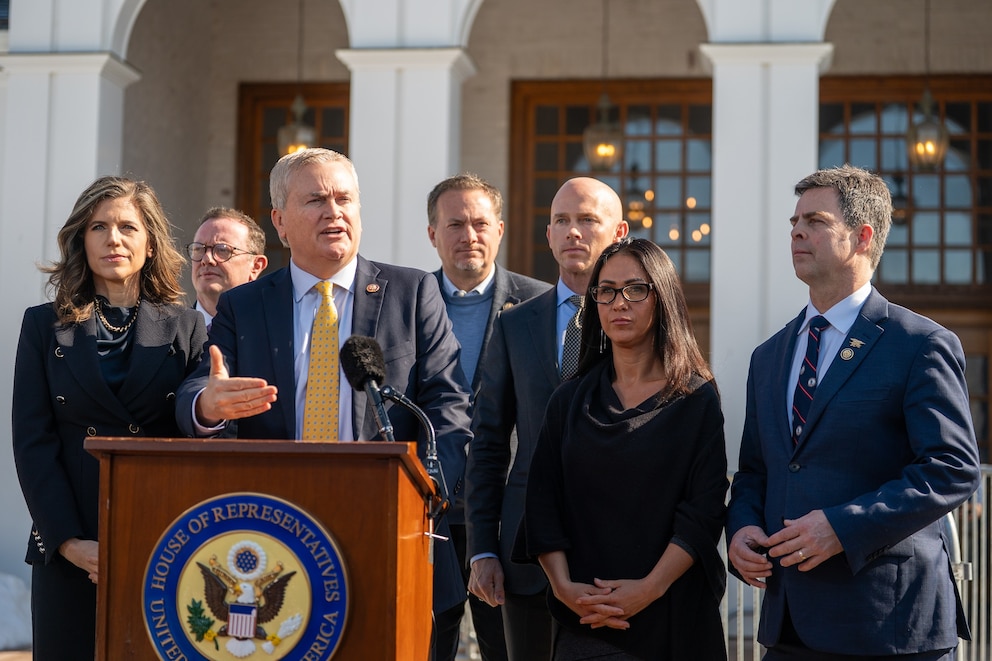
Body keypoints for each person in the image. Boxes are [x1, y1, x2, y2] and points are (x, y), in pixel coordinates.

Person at [175, 148, 472, 658]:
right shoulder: (245, 305)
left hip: (390, 532)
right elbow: (200, 389)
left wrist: (421, 493)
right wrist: (208, 405)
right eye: (315, 199)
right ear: (280, 221)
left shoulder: (412, 292)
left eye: (344, 199)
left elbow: (448, 407)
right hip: (273, 538)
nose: (334, 211)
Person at [727, 164, 981, 660]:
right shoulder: (770, 355)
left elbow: (952, 469)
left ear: (863, 237)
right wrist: (741, 529)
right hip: (789, 626)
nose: (797, 230)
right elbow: (756, 471)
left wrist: (842, 526)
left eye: (816, 221)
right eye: (794, 221)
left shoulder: (919, 344)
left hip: (889, 625)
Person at [12, 176, 207, 659]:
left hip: (160, 544)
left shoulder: (186, 326)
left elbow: (195, 436)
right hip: (68, 545)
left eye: (127, 227)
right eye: (98, 227)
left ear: (150, 241)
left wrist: (157, 537)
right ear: (82, 238)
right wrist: (70, 543)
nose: (113, 239)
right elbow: (32, 442)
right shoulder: (42, 325)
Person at [517, 237, 728, 660]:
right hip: (587, 619)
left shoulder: (696, 398)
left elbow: (702, 512)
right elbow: (543, 501)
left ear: (662, 297)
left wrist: (648, 589)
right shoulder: (569, 399)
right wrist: (564, 588)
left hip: (672, 620)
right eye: (606, 291)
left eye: (635, 289)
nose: (619, 303)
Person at [465, 177, 628, 660]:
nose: (573, 232)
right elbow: (490, 441)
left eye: (586, 220)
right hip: (525, 556)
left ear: (618, 233)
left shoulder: (642, 320)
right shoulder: (516, 323)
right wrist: (482, 549)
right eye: (562, 221)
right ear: (548, 234)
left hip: (615, 556)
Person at [427, 173, 551, 661]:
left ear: (500, 229)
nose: (469, 235)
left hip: (508, 521)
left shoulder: (543, 304)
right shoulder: (401, 303)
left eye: (480, 223)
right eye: (454, 223)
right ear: (432, 234)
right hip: (428, 514)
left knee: (512, 650)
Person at [188, 206, 268, 327]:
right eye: (198, 249)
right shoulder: (168, 335)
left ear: (256, 266)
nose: (207, 259)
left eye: (222, 249)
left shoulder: (273, 334)